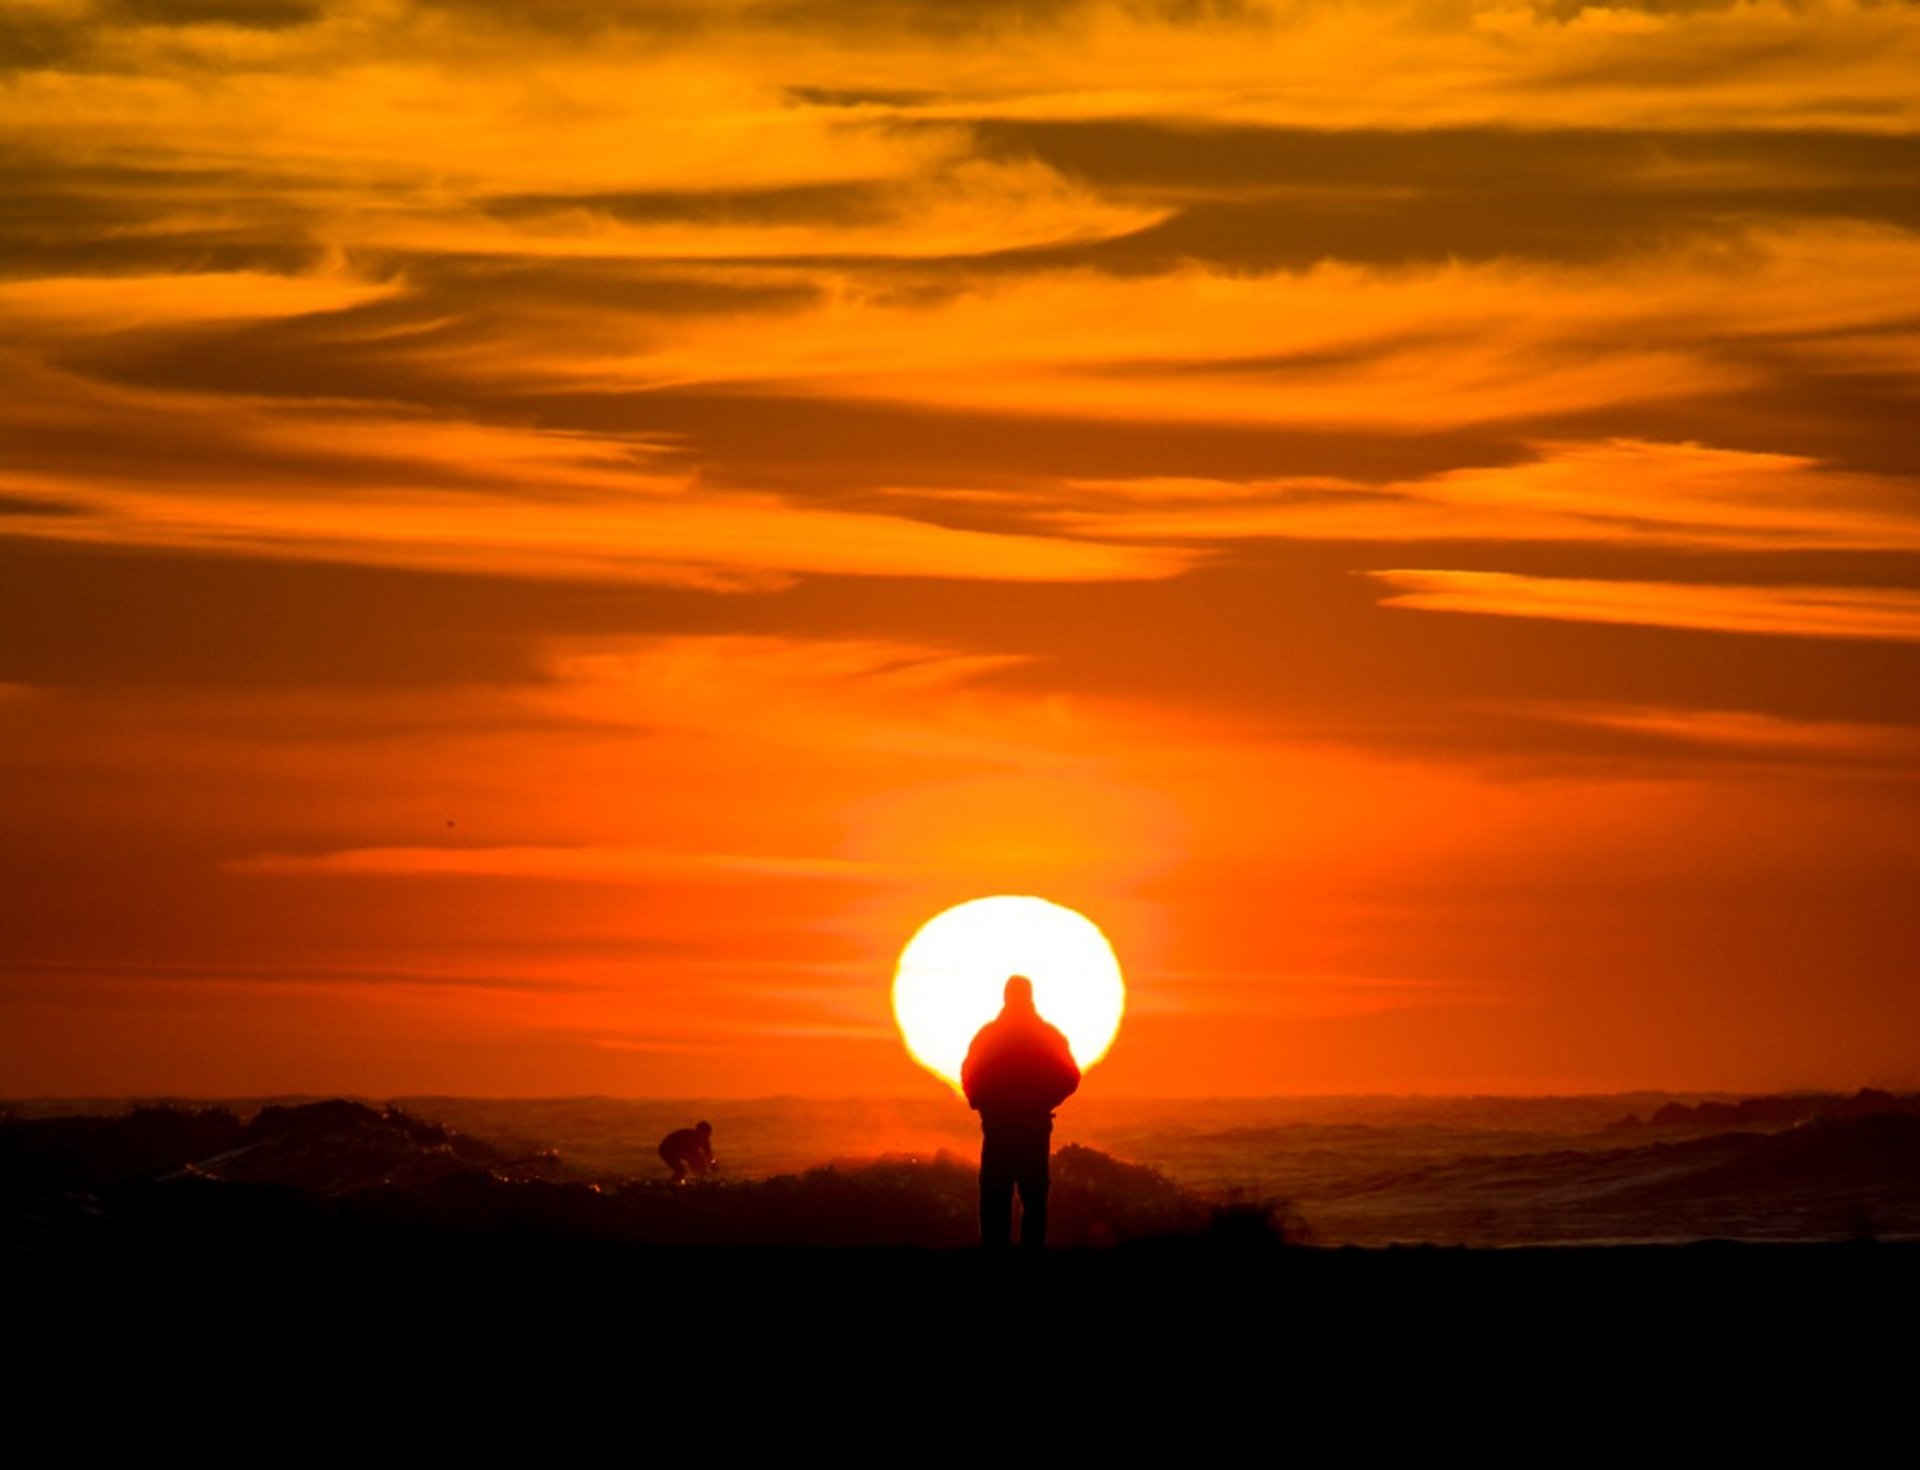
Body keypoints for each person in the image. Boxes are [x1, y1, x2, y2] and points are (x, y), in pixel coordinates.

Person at [961, 975, 1081, 1250]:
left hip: (1008, 1124)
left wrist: (979, 1100)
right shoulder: (1045, 1034)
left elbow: (969, 1073)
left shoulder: (990, 1035)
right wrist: (1045, 1101)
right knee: (1025, 1194)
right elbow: (1071, 1076)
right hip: (1024, 1124)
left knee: (1005, 1193)